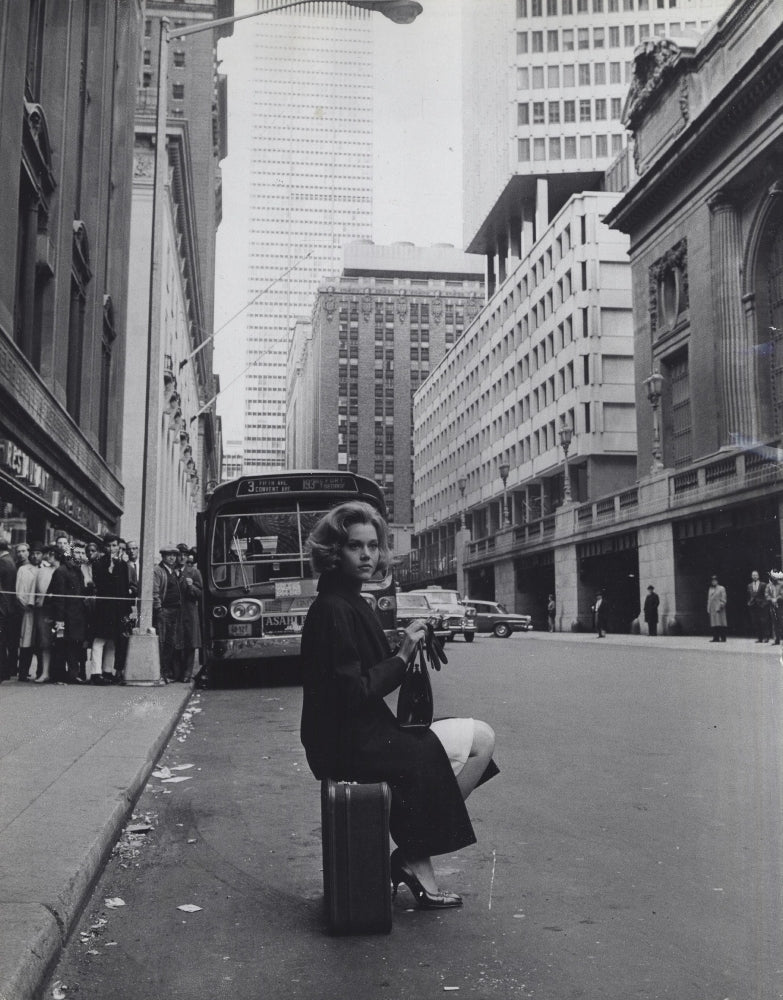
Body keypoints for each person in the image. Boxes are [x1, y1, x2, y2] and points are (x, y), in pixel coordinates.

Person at [300, 501, 498, 910]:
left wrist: (404, 643)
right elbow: (353, 691)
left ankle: (414, 851)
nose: (368, 555)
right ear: (335, 552)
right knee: (481, 740)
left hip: (360, 737)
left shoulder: (347, 600)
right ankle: (411, 854)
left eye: (374, 546)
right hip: (351, 744)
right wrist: (403, 655)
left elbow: (361, 669)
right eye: (356, 546)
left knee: (467, 745)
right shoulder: (334, 608)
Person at [91, 533, 132, 684]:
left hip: (118, 608)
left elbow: (125, 587)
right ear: (104, 547)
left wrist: (126, 611)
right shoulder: (98, 563)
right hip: (103, 607)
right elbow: (100, 585)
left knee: (112, 640)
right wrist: (110, 569)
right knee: (99, 639)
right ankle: (96, 673)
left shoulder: (122, 565)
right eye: (108, 545)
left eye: (114, 545)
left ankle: (107, 671)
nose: (111, 548)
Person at [47, 540, 89, 683]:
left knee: (73, 645)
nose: (80, 555)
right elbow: (58, 598)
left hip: (77, 616)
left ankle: (72, 675)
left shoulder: (79, 571)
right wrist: (59, 620)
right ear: (70, 553)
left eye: (82, 553)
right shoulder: (62, 571)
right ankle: (58, 676)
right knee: (60, 646)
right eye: (77, 552)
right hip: (64, 617)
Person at [152, 543, 184, 682]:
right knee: (162, 642)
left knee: (170, 643)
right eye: (168, 555)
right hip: (164, 610)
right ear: (163, 556)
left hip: (175, 610)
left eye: (173, 555)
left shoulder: (173, 571)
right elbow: (155, 591)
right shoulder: (158, 571)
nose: (171, 558)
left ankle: (165, 672)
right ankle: (160, 673)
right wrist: (158, 608)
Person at [34, 545, 59, 683]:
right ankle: (45, 672)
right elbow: (38, 591)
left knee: (59, 641)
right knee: (45, 642)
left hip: (59, 609)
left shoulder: (63, 570)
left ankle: (57, 672)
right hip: (44, 609)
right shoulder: (43, 571)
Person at [179, 545, 203, 684]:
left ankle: (187, 673)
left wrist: (191, 586)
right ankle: (178, 672)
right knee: (177, 642)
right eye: (179, 554)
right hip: (177, 612)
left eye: (184, 554)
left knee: (190, 642)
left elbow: (200, 593)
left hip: (189, 611)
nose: (182, 557)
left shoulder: (194, 572)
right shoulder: (173, 571)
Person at [15, 542, 39, 680]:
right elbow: (19, 592)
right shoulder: (23, 570)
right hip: (28, 610)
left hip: (40, 611)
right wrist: (26, 606)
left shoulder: (43, 568)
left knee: (40, 640)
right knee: (26, 640)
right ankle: (23, 672)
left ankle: (40, 671)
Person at [0, 538, 19, 681]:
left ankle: (2, 671)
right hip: (8, 606)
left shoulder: (2, 563)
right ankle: (6, 669)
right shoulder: (10, 561)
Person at [746, 570, 768, 642]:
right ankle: (760, 638)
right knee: (756, 622)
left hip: (761, 606)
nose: (754, 576)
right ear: (751, 576)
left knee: (763, 622)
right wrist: (749, 603)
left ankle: (766, 637)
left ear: (758, 576)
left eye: (756, 575)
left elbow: (766, 595)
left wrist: (764, 603)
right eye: (753, 575)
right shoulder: (749, 585)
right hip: (753, 606)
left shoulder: (763, 584)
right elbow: (748, 596)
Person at [707, 574, 728, 642]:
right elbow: (709, 599)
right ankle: (715, 638)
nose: (713, 582)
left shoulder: (721, 588)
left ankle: (723, 638)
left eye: (715, 580)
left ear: (717, 581)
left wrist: (721, 605)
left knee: (721, 623)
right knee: (714, 624)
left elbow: (724, 598)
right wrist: (708, 608)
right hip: (712, 608)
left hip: (719, 608)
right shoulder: (710, 589)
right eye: (712, 581)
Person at [765, 570, 783, 645]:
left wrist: (777, 598)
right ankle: (777, 639)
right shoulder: (768, 586)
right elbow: (766, 595)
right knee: (775, 623)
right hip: (772, 606)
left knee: (781, 622)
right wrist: (771, 599)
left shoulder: (782, 584)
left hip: (780, 605)